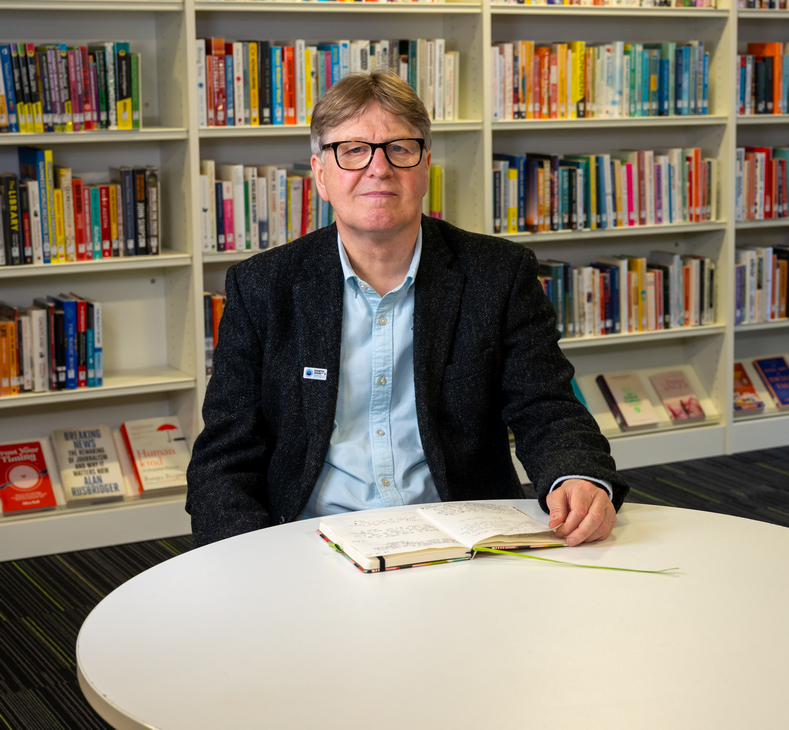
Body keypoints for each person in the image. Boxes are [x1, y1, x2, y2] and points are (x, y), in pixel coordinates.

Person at [187, 70, 627, 547]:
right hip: (310, 536)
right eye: (353, 150)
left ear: (425, 167)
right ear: (320, 174)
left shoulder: (498, 273)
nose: (378, 168)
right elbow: (226, 453)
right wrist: (246, 554)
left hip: (461, 533)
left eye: (399, 148)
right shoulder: (262, 286)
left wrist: (577, 475)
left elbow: (546, 404)